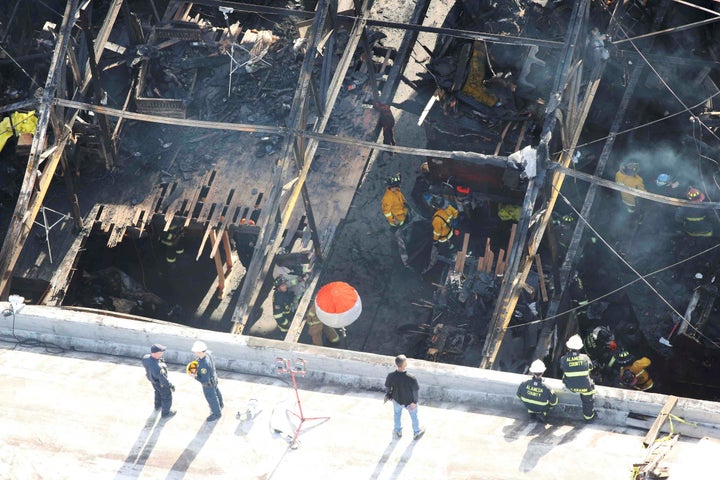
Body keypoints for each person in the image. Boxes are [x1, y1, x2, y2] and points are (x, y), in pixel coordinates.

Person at [384, 354, 425, 440]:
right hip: (409, 402)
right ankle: (416, 432)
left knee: (397, 415)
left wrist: (389, 395)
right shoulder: (411, 378)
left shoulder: (391, 376)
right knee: (414, 416)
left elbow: (388, 387)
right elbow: (415, 391)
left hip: (397, 400)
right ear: (404, 364)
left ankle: (398, 430)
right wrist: (415, 402)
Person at [560, 334, 597, 422]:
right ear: (579, 348)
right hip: (585, 388)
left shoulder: (563, 359)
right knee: (588, 400)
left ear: (569, 347)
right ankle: (589, 417)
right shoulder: (585, 358)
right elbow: (591, 368)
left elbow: (563, 368)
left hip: (571, 387)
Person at [189, 340, 224, 421]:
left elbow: (204, 380)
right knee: (217, 392)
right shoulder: (208, 354)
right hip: (214, 379)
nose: (195, 353)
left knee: (211, 398)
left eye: (196, 352)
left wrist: (194, 376)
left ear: (200, 352)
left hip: (208, 384)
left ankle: (216, 413)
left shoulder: (203, 365)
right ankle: (220, 404)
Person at [381, 173, 410, 267]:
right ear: (391, 187)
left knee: (405, 232)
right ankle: (397, 246)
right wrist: (394, 220)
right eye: (396, 186)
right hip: (397, 221)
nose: (398, 188)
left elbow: (402, 199)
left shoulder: (396, 191)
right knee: (399, 235)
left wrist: (406, 205)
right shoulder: (387, 198)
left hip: (403, 216)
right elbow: (386, 212)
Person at [141, 343, 176, 418]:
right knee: (167, 397)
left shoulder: (145, 358)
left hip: (153, 382)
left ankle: (157, 405)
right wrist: (170, 385)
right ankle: (166, 413)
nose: (162, 353)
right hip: (161, 384)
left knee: (157, 392)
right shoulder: (159, 367)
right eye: (161, 351)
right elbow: (163, 380)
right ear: (157, 353)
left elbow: (148, 364)